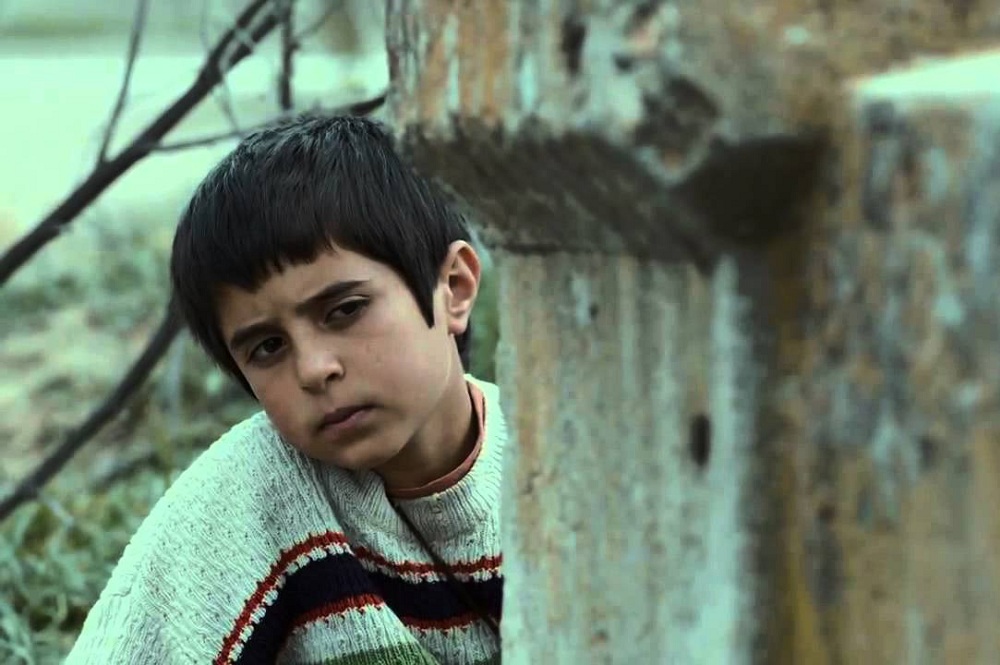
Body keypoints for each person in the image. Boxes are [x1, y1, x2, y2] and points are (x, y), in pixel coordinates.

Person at [66, 115, 505, 664]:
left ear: (454, 288)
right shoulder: (245, 500)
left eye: (345, 310)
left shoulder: (563, 471)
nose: (314, 369)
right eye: (268, 347)